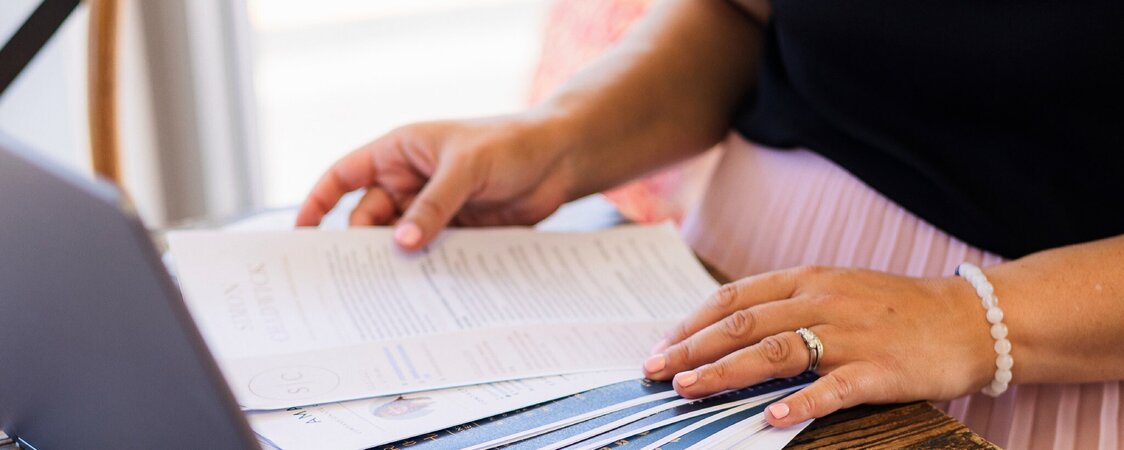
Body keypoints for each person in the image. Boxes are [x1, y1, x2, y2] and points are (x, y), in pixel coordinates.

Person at [295, 0, 1124, 447]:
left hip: (1030, 375)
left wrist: (973, 319)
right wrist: (558, 139)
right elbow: (745, 14)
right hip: (711, 297)